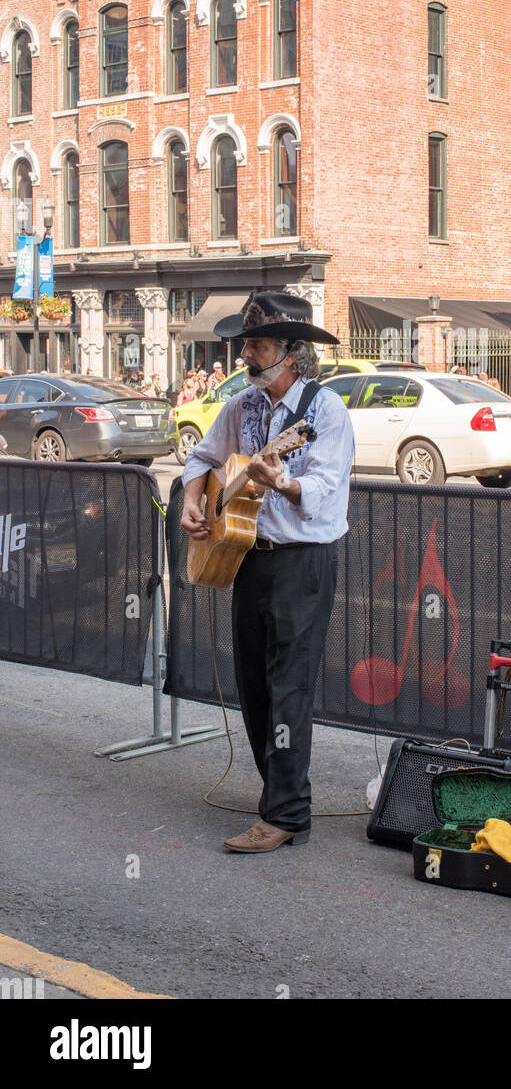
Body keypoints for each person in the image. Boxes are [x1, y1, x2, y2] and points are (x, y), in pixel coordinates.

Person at [180, 293, 355, 854]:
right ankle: (276, 793)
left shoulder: (324, 413)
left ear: (291, 354)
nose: (247, 354)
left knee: (290, 685)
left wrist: (279, 481)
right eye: (247, 344)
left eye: (257, 345)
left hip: (303, 561)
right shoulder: (242, 406)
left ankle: (285, 813)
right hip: (249, 555)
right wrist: (192, 499)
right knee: (254, 682)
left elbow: (325, 488)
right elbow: (203, 458)